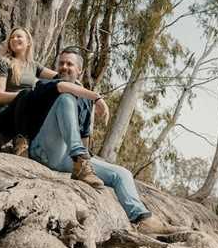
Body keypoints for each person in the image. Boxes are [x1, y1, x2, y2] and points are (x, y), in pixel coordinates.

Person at [29, 47, 176, 235]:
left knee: (122, 174)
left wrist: (88, 159)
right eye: (61, 63)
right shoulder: (46, 85)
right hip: (42, 148)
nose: (64, 67)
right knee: (66, 99)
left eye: (69, 64)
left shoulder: (84, 101)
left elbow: (83, 136)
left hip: (65, 157)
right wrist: (97, 97)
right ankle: (80, 161)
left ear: (79, 70)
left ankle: (141, 219)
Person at [0, 27, 58, 155]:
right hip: (5, 116)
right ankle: (21, 143)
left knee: (49, 93)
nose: (14, 39)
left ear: (28, 42)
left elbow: (58, 78)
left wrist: (76, 82)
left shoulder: (34, 66)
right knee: (27, 93)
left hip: (28, 117)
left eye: (18, 36)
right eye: (12, 37)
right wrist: (25, 96)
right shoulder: (3, 62)